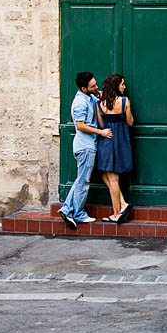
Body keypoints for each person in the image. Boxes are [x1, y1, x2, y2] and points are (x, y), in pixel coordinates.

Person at [57, 72, 112, 230]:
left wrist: (101, 95)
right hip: (85, 146)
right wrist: (101, 132)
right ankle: (76, 212)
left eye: (96, 84)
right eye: (93, 86)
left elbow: (99, 103)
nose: (96, 87)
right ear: (83, 88)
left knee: (81, 179)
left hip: (88, 145)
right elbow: (80, 125)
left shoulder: (89, 97)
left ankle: (68, 209)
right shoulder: (80, 102)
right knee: (83, 180)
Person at [96, 73, 134, 223]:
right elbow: (130, 122)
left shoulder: (99, 104)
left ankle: (117, 211)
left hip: (106, 140)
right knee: (110, 177)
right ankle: (120, 208)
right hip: (121, 140)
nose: (124, 86)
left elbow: (101, 125)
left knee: (110, 177)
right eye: (122, 84)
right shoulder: (125, 101)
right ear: (116, 86)